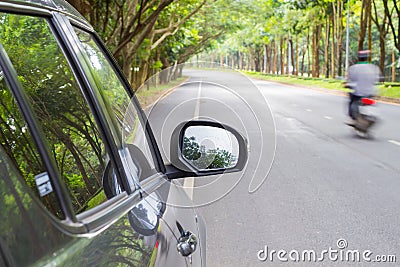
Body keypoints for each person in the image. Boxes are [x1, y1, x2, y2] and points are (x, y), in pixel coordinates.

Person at [346, 50, 380, 125]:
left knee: (352, 102)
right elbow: (377, 79)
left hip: (358, 92)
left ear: (359, 58)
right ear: (367, 58)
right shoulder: (374, 68)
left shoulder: (353, 68)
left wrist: (348, 85)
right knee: (373, 102)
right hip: (371, 92)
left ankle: (354, 118)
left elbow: (351, 80)